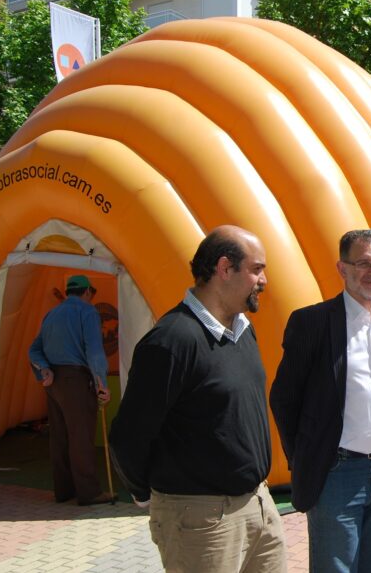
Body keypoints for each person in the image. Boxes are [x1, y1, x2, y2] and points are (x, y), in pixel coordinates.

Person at [110, 225, 286, 573]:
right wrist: (148, 494)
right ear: (224, 268)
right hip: (201, 521)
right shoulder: (172, 341)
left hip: (259, 506)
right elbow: (128, 435)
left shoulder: (243, 331)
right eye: (256, 269)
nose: (264, 280)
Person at [271, 229, 371, 573]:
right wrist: (306, 457)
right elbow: (284, 399)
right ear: (341, 268)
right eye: (362, 263)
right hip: (337, 472)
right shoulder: (312, 322)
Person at [29, 274, 112, 506]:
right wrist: (101, 385)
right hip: (76, 380)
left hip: (53, 382)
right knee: (81, 437)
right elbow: (94, 351)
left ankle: (64, 490)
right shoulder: (87, 312)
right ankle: (89, 493)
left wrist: (43, 369)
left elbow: (34, 350)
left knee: (60, 437)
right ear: (87, 292)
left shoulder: (51, 314)